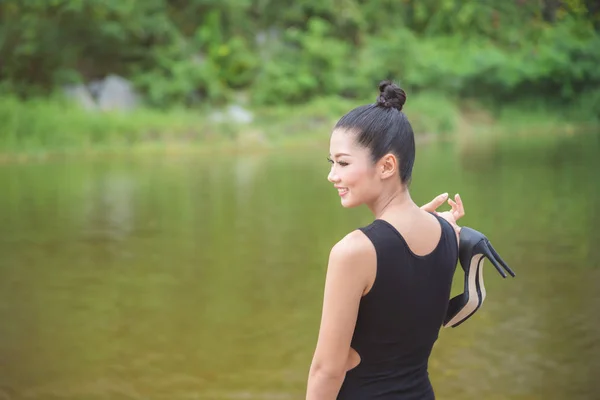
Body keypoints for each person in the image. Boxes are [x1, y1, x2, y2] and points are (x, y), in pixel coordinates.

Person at [306, 81, 465, 400]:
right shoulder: (449, 233)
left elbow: (327, 369)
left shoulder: (353, 252)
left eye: (343, 162)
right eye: (332, 163)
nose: (332, 175)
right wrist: (431, 220)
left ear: (387, 165)